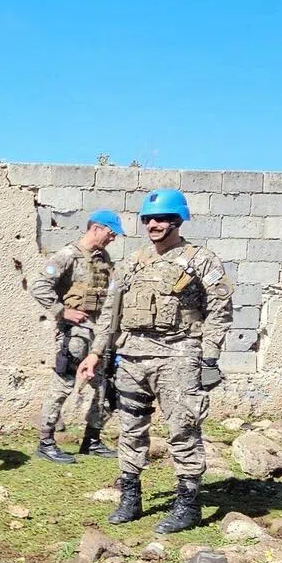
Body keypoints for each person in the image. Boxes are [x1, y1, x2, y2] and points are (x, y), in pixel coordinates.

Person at [77, 189, 232, 534]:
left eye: (162, 219)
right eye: (149, 219)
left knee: (182, 430)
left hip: (179, 356)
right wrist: (95, 352)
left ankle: (188, 505)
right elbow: (109, 313)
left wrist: (209, 356)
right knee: (130, 430)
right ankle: (130, 498)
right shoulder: (132, 262)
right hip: (132, 357)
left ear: (178, 221)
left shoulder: (201, 260)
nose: (154, 225)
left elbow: (220, 311)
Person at [28, 210, 123, 463]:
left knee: (102, 385)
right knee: (63, 383)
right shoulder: (68, 255)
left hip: (99, 332)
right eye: (110, 233)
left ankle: (92, 440)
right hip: (75, 334)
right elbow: (39, 285)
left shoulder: (103, 259)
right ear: (96, 228)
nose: (113, 238)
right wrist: (62, 311)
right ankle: (46, 441)